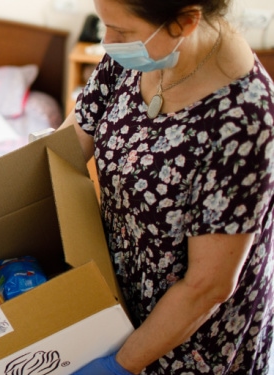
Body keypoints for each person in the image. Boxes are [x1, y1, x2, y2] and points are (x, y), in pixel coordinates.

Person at [66, 0, 274, 374]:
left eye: (121, 32)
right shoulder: (135, 52)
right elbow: (71, 141)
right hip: (123, 288)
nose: (108, 42)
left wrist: (120, 365)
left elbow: (207, 288)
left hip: (189, 333)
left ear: (185, 22)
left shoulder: (245, 121)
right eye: (105, 25)